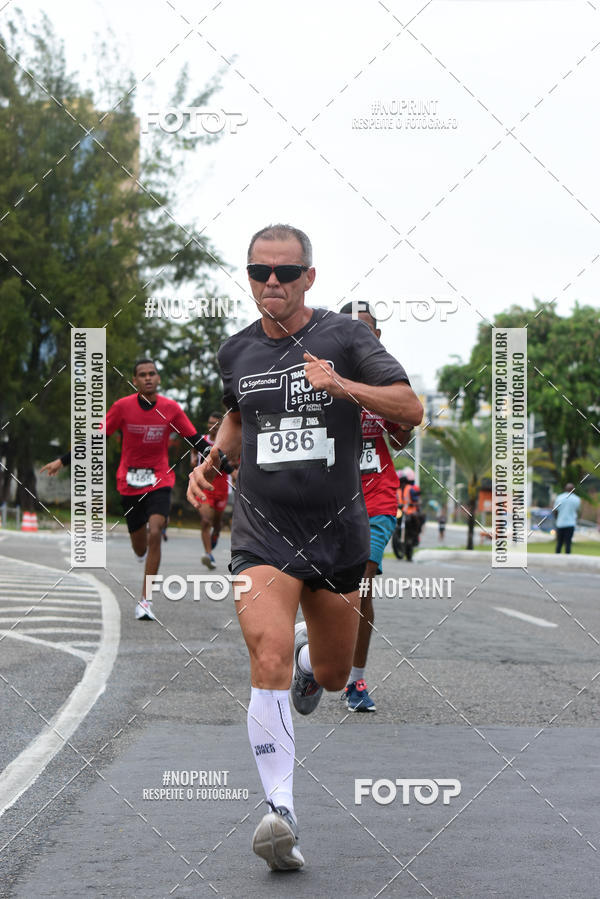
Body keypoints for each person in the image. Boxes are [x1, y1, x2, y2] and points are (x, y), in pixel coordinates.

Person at [187, 223, 423, 871]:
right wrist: (212, 461)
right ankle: (281, 813)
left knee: (332, 674)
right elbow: (239, 412)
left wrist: (343, 385)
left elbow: (411, 407)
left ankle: (307, 658)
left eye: (286, 273)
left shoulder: (345, 338)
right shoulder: (235, 351)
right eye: (259, 270)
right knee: (264, 655)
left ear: (309, 278)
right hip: (260, 531)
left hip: (338, 533)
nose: (271, 283)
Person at [41, 359, 209, 620]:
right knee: (140, 547)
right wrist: (63, 460)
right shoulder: (122, 407)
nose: (148, 378)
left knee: (156, 531)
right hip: (129, 483)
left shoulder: (171, 408)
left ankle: (145, 601)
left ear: (158, 378)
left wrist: (220, 456)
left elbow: (195, 438)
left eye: (152, 373)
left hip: (159, 480)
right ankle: (142, 553)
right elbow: (97, 439)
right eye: (142, 375)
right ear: (135, 381)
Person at [339, 300, 413, 713]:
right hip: (329, 500)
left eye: (365, 329)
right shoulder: (321, 378)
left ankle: (355, 679)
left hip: (377, 497)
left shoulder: (385, 380)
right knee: (327, 591)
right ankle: (316, 657)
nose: (357, 336)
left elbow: (400, 439)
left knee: (362, 583)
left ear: (377, 337)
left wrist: (398, 417)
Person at [190, 411, 237, 570]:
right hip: (204, 485)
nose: (212, 427)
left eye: (216, 424)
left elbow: (235, 460)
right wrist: (193, 460)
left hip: (222, 486)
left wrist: (236, 471)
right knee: (205, 520)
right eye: (210, 423)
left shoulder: (227, 442)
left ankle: (216, 532)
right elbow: (194, 451)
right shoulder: (202, 440)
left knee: (216, 522)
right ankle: (208, 554)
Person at [397, 468, 422, 561]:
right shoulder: (397, 490)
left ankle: (416, 532)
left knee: (416, 517)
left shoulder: (410, 489)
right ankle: (397, 536)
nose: (401, 483)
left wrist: (415, 503)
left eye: (403, 481)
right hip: (401, 512)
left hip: (410, 511)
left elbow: (417, 499)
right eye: (400, 481)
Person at [553, 483, 581, 554]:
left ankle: (556, 559)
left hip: (560, 523)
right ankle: (568, 560)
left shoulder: (559, 497)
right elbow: (578, 511)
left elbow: (555, 511)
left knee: (559, 543)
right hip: (570, 524)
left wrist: (556, 520)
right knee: (568, 543)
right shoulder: (577, 499)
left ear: (565, 489)